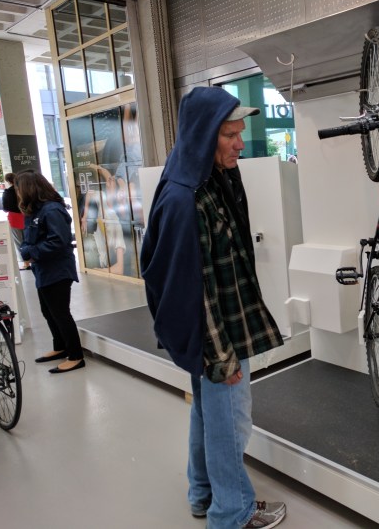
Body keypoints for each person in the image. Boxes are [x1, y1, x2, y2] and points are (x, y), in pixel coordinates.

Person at [140, 87, 286, 529]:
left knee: (208, 411)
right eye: (229, 135)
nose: (240, 143)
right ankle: (232, 512)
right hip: (214, 332)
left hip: (220, 322)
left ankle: (203, 493)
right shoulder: (186, 199)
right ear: (204, 135)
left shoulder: (206, 177)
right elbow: (193, 287)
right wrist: (221, 355)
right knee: (230, 421)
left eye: (240, 133)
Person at [15, 170, 85, 374]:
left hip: (57, 270)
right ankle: (61, 347)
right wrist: (27, 251)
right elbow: (27, 240)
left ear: (28, 188)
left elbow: (59, 241)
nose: (17, 193)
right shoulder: (34, 211)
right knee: (48, 311)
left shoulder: (52, 210)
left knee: (60, 313)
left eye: (19, 188)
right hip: (43, 269)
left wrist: (32, 252)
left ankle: (76, 356)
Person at [1, 172, 28, 270]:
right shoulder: (23, 190)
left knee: (19, 241)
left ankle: (26, 263)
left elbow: (5, 208)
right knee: (29, 239)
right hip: (26, 217)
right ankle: (34, 260)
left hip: (14, 219)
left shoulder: (7, 193)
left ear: (8, 181)